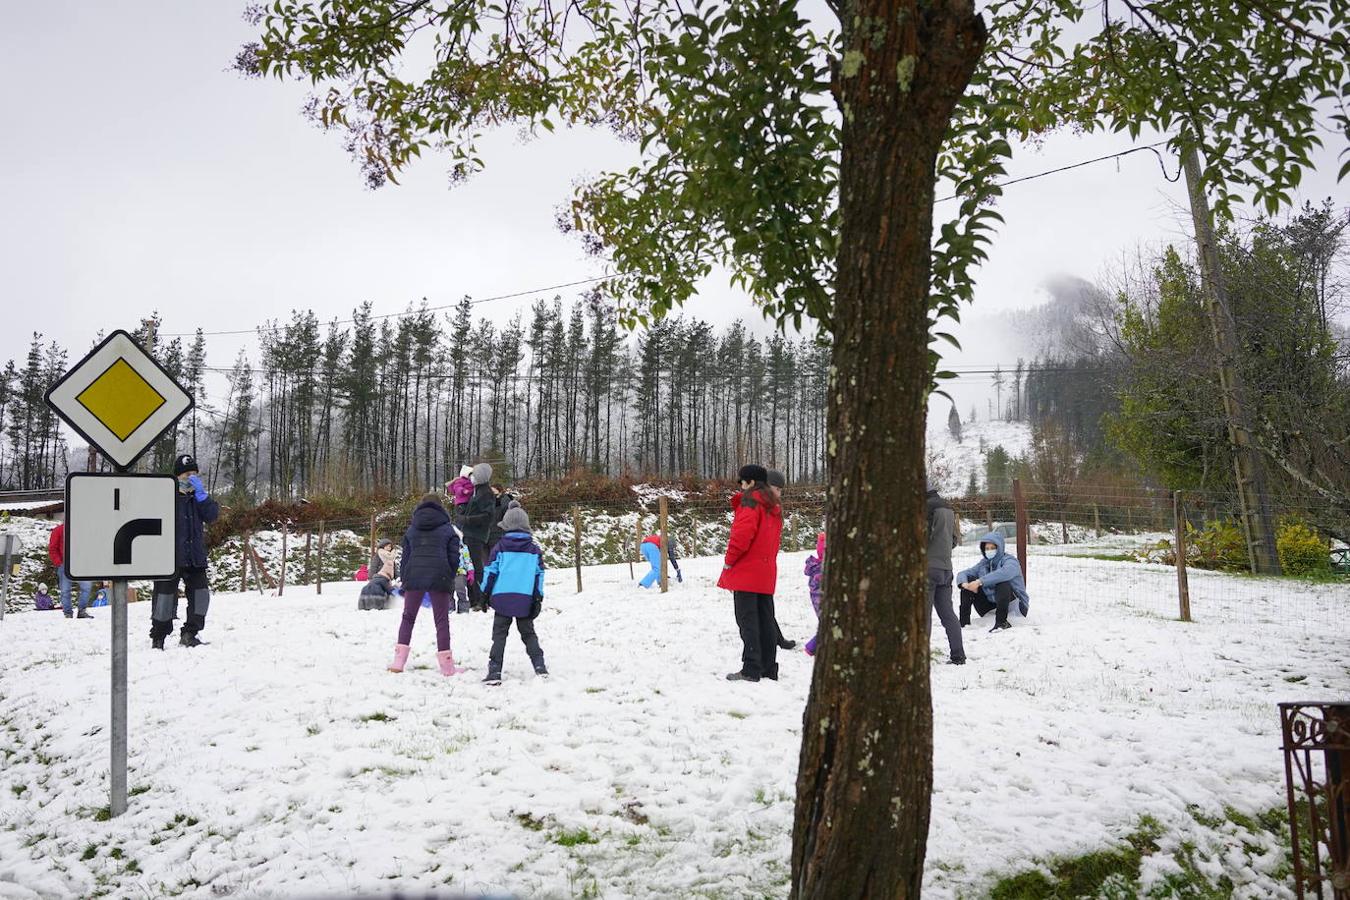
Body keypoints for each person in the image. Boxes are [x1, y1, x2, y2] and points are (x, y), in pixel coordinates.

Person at [718, 464, 784, 682]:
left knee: (748, 621)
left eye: (743, 482)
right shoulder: (773, 506)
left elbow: (741, 536)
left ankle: (751, 668)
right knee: (766, 620)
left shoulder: (750, 502)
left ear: (752, 482)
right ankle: (768, 667)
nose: (741, 486)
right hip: (765, 571)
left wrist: (729, 562)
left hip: (747, 572)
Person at [388, 494, 466, 676]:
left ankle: (398, 662)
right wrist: (449, 575)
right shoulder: (448, 530)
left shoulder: (412, 529)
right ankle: (447, 667)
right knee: (441, 621)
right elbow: (455, 557)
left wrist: (405, 578)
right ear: (441, 508)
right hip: (440, 577)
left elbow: (405, 558)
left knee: (408, 618)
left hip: (414, 577)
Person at [151, 455, 220, 649]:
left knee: (201, 597)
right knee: (163, 601)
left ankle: (190, 633)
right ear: (177, 476)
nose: (191, 478)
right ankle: (158, 637)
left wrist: (203, 497)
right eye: (187, 474)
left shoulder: (198, 498)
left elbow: (212, 516)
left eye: (194, 474)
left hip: (195, 557)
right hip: (169, 558)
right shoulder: (166, 496)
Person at [481, 501, 547, 684]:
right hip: (525, 599)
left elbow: (491, 572)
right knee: (529, 634)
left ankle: (494, 671)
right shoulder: (534, 550)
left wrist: (484, 594)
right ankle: (540, 667)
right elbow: (539, 575)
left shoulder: (499, 548)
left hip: (502, 598)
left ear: (506, 526)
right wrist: (538, 597)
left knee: (499, 636)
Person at [956, 531, 1031, 633]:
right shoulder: (984, 563)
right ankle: (964, 623)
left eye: (992, 548)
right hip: (990, 606)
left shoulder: (1010, 561)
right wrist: (964, 584)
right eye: (987, 549)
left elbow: (1005, 573)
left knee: (1002, 582)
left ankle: (1002, 623)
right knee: (969, 581)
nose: (989, 551)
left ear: (999, 548)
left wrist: (980, 581)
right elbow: (964, 573)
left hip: (1016, 608)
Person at [927, 480, 965, 664]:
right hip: (946, 569)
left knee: (923, 616)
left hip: (927, 568)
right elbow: (954, 540)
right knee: (948, 614)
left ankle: (920, 658)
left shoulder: (926, 508)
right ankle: (958, 655)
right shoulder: (948, 508)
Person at [457, 463, 495, 611]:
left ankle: (480, 599)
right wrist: (463, 510)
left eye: (474, 474)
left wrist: (468, 520)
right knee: (470, 565)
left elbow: (487, 516)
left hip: (476, 534)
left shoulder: (486, 493)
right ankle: (473, 598)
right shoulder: (477, 491)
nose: (471, 477)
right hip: (469, 533)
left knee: (476, 566)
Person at [765, 469, 797, 651]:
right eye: (776, 489)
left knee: (766, 605)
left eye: (780, 490)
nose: (778, 494)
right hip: (760, 564)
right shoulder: (761, 507)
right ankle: (775, 639)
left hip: (767, 563)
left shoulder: (774, 509)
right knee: (764, 606)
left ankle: (776, 638)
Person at [47, 520, 93, 619]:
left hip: (80, 564)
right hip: (65, 564)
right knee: (65, 590)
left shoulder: (81, 530)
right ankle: (68, 613)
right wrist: (59, 563)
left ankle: (82, 610)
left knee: (86, 587)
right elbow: (53, 548)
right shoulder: (59, 530)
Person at [803, 533, 825, 656]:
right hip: (821, 601)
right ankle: (811, 647)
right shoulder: (821, 569)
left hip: (818, 600)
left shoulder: (816, 567)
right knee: (828, 625)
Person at [486, 483, 517, 554]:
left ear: (500, 492)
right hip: (488, 536)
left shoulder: (505, 502)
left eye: (493, 492)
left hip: (499, 535)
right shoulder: (490, 502)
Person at [453, 525, 473, 614]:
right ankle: (449, 607)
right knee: (448, 591)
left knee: (461, 589)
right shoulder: (444, 548)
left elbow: (468, 560)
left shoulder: (463, 548)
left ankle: (463, 607)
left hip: (460, 572)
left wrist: (470, 571)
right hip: (448, 572)